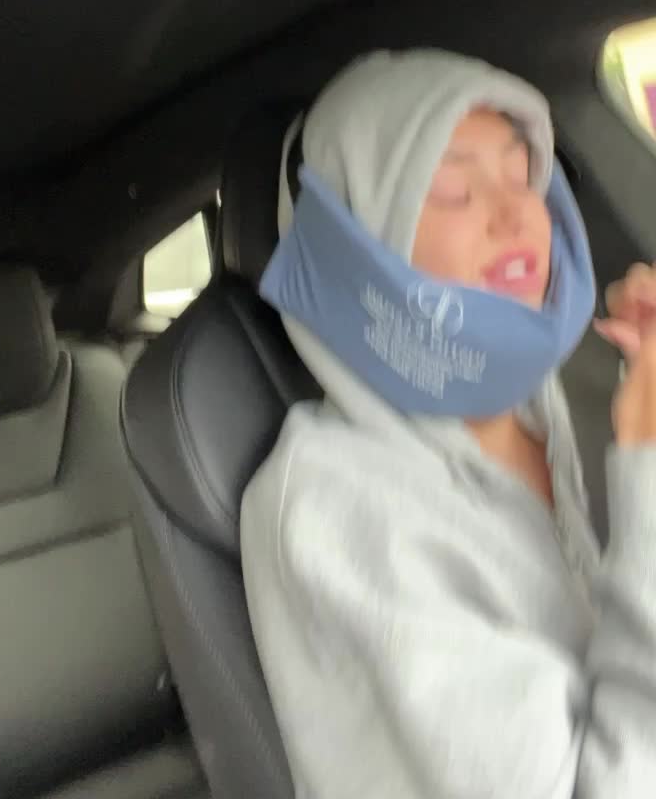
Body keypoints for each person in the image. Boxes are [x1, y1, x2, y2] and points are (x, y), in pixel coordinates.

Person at [240, 48, 656, 799]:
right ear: (362, 244)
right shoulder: (333, 501)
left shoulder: (543, 404)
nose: (515, 213)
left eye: (523, 175)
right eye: (453, 190)